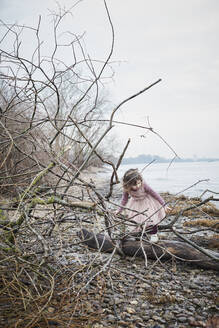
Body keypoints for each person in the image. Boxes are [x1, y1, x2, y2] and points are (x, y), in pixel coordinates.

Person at [116, 168, 167, 243]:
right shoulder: (126, 188)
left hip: (147, 202)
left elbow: (154, 193)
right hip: (135, 204)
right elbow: (124, 199)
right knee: (136, 220)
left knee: (150, 218)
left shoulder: (144, 185)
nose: (137, 186)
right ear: (128, 184)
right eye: (134, 184)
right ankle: (140, 235)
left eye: (139, 183)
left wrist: (164, 204)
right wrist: (119, 210)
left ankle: (154, 234)